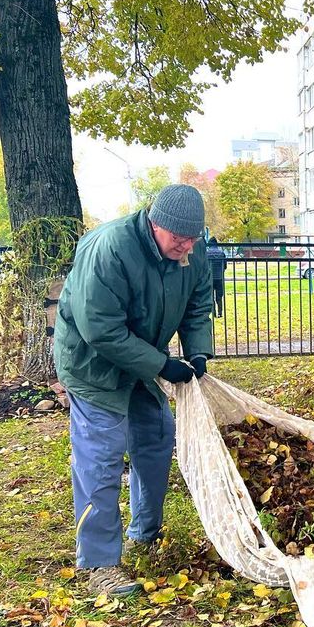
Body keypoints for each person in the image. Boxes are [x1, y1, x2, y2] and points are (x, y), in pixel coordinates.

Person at [53, 184, 214, 596]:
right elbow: (99, 328)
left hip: (142, 361)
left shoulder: (190, 254)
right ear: (153, 223)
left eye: (193, 238)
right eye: (178, 238)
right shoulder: (111, 248)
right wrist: (161, 364)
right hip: (94, 366)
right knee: (101, 459)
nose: (186, 246)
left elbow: (197, 306)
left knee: (157, 438)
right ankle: (100, 564)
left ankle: (146, 531)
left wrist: (197, 354)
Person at [205, 236, 227, 318]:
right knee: (219, 296)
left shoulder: (206, 253)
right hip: (219, 277)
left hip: (210, 278)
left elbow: (204, 267)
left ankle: (213, 312)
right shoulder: (222, 253)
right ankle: (220, 313)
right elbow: (225, 266)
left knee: (210, 296)